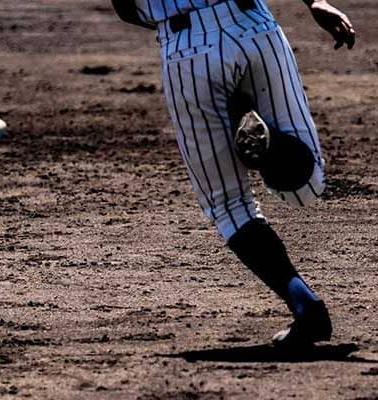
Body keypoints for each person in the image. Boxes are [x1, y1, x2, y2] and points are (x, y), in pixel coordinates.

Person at [111, 0, 355, 346]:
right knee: (306, 187)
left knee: (229, 205)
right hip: (254, 27)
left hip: (188, 51)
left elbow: (125, 9)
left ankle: (306, 306)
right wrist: (315, 1)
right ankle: (267, 145)